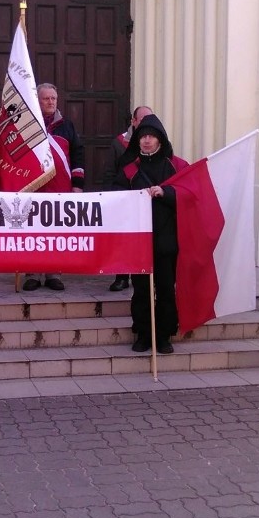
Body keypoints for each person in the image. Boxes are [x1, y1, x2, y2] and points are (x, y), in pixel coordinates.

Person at [112, 114, 188, 354]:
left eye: (151, 137)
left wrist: (165, 193)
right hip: (139, 243)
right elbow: (116, 199)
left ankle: (164, 336)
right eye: (143, 136)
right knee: (142, 289)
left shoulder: (177, 165)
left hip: (166, 240)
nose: (146, 140)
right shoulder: (129, 169)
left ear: (160, 140)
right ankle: (143, 334)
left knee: (166, 288)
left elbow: (189, 196)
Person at [22, 83, 85, 292]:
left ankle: (53, 273)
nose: (50, 102)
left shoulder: (67, 126)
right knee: (32, 231)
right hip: (33, 188)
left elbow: (77, 154)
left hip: (60, 188)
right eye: (45, 98)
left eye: (53, 98)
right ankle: (31, 273)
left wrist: (77, 185)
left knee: (56, 232)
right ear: (37, 101)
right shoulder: (27, 125)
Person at [105, 106, 153, 292]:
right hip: (124, 198)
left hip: (147, 199)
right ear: (133, 121)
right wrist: (110, 197)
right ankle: (122, 276)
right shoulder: (118, 143)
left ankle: (143, 275)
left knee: (143, 239)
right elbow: (110, 171)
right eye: (142, 119)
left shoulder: (156, 141)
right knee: (122, 239)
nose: (146, 123)